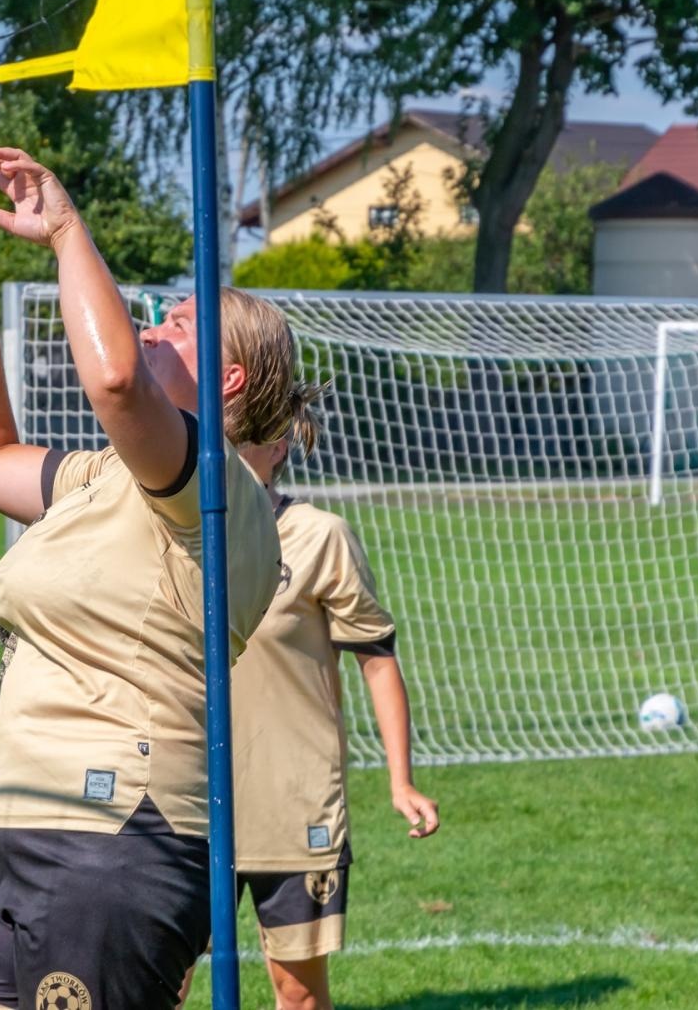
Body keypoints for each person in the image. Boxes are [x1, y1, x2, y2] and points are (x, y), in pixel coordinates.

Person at [0, 145, 309, 1009]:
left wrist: (68, 232)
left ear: (225, 378)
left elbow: (113, 378)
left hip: (113, 844)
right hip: (28, 843)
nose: (147, 330)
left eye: (174, 324)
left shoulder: (216, 488)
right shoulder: (108, 476)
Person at [224, 432, 440, 1010]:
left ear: (278, 447)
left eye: (246, 434)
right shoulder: (173, 528)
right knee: (161, 984)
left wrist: (401, 781)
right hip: (186, 800)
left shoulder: (320, 537)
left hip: (295, 800)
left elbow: (377, 659)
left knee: (297, 993)